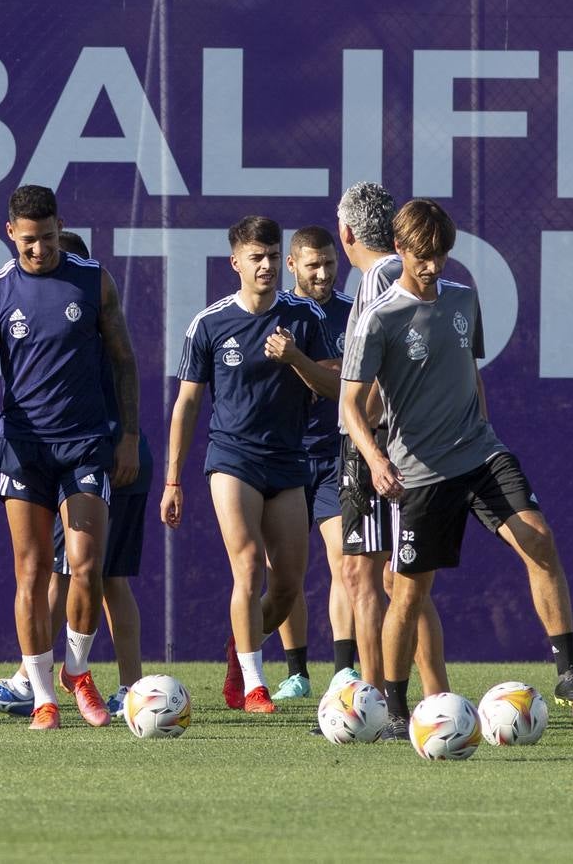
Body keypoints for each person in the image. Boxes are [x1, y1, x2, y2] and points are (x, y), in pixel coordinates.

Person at [341, 198, 573, 740]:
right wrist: (377, 460)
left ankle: (568, 674)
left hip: (480, 453)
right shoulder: (378, 319)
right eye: (423, 256)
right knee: (408, 592)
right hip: (421, 473)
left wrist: (484, 426)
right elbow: (350, 406)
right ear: (401, 249)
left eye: (442, 255)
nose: (434, 266)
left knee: (539, 540)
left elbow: (468, 370)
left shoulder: (463, 299)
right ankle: (396, 705)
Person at [0, 186, 140, 730]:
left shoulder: (93, 280)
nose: (39, 250)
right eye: (28, 240)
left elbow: (125, 361)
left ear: (62, 226)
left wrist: (128, 435)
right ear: (11, 232)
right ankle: (41, 696)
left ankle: (77, 672)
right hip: (24, 447)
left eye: (49, 237)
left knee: (85, 567)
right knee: (32, 573)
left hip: (85, 443)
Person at [161, 216, 339, 714]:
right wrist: (174, 480)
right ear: (235, 262)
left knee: (285, 587)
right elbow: (188, 406)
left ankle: (239, 650)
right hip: (232, 459)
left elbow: (334, 387)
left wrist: (297, 359)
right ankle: (256, 684)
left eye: (270, 256)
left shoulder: (305, 316)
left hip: (288, 461)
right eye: (254, 258)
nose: (264, 266)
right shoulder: (210, 323)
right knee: (247, 568)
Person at [335, 182, 448, 737]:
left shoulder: (381, 276)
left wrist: (371, 442)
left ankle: (385, 703)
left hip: (377, 444)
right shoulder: (378, 276)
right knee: (389, 575)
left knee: (384, 576)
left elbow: (376, 375)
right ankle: (426, 697)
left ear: (346, 232)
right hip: (375, 443)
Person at [272, 226, 359, 701]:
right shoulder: (277, 311)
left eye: (329, 263)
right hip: (284, 456)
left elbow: (349, 377)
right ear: (293, 266)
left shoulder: (354, 311)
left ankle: (344, 669)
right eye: (313, 265)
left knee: (344, 559)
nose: (323, 273)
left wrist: (307, 366)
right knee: (284, 570)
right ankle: (297, 672)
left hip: (335, 453)